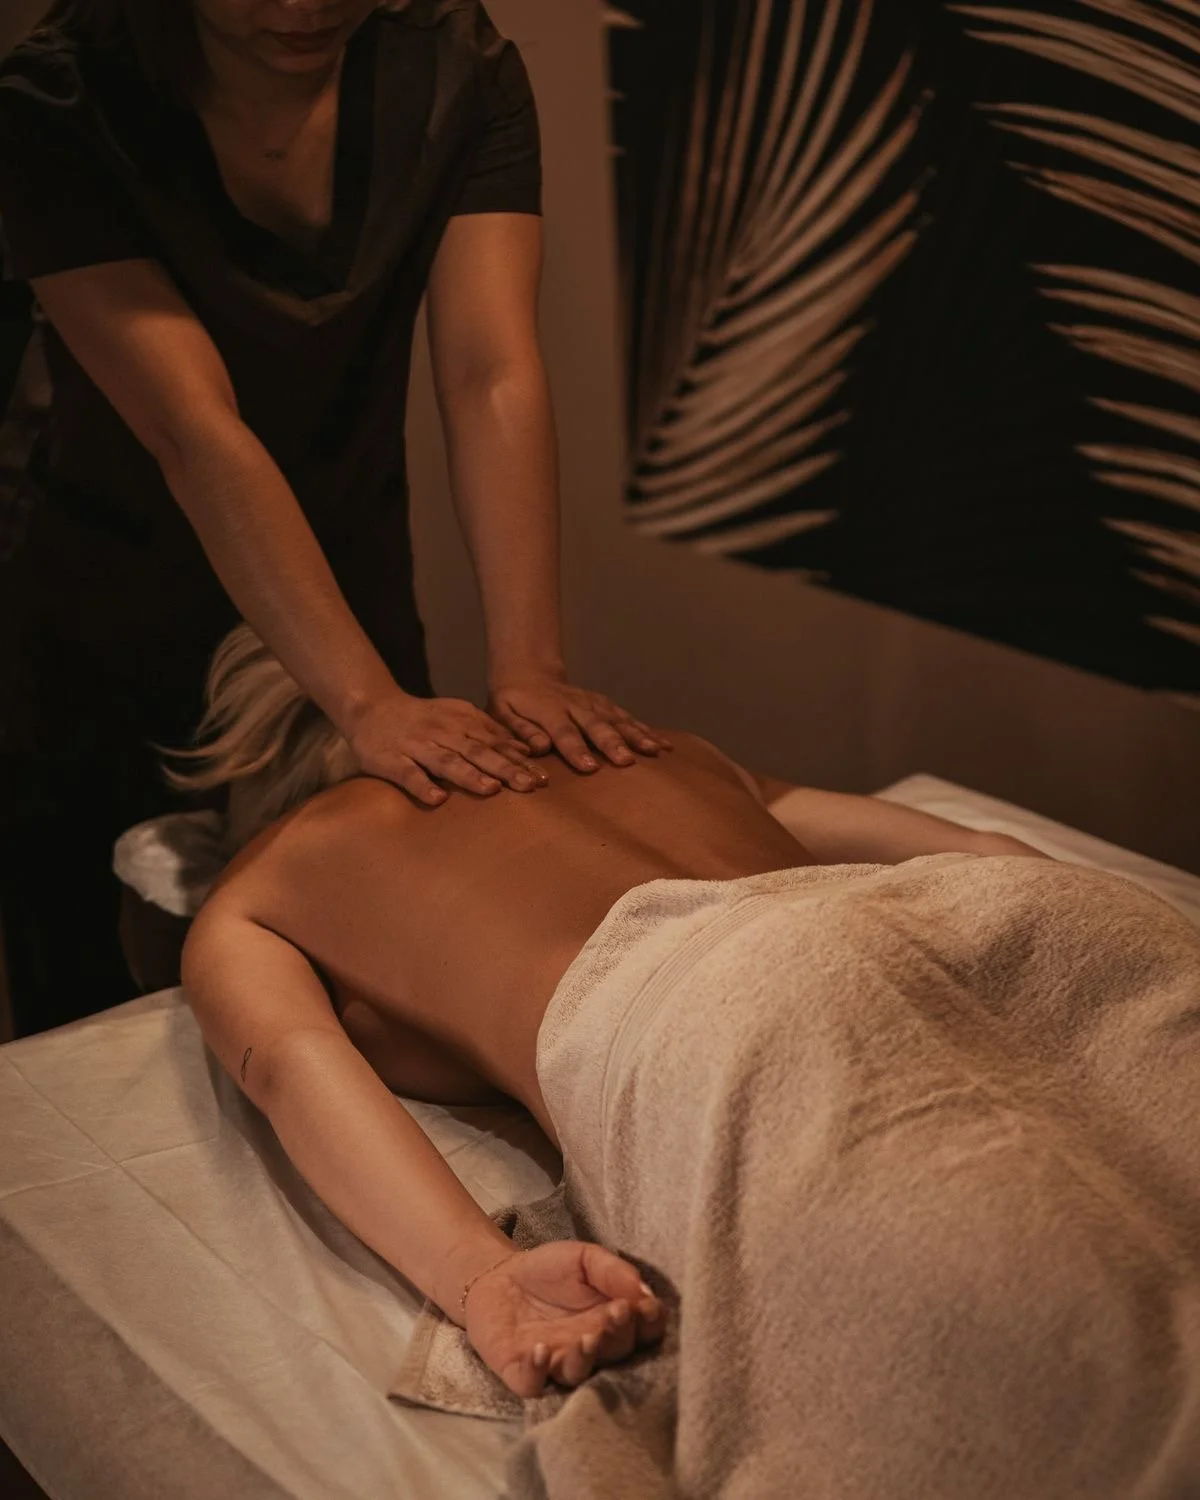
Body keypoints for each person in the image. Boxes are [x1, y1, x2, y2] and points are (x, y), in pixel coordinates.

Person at [0, 0, 664, 1036]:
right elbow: (194, 427)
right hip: (102, 597)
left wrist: (527, 666)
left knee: (368, 979)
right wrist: (360, 702)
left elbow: (489, 373)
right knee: (95, 1017)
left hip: (349, 571)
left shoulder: (457, 69)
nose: (304, 7)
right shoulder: (59, 99)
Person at [176, 623, 1060, 1394]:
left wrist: (485, 1278)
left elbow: (296, 1068)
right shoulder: (640, 744)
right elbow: (981, 855)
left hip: (717, 1011)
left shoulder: (259, 885)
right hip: (942, 925)